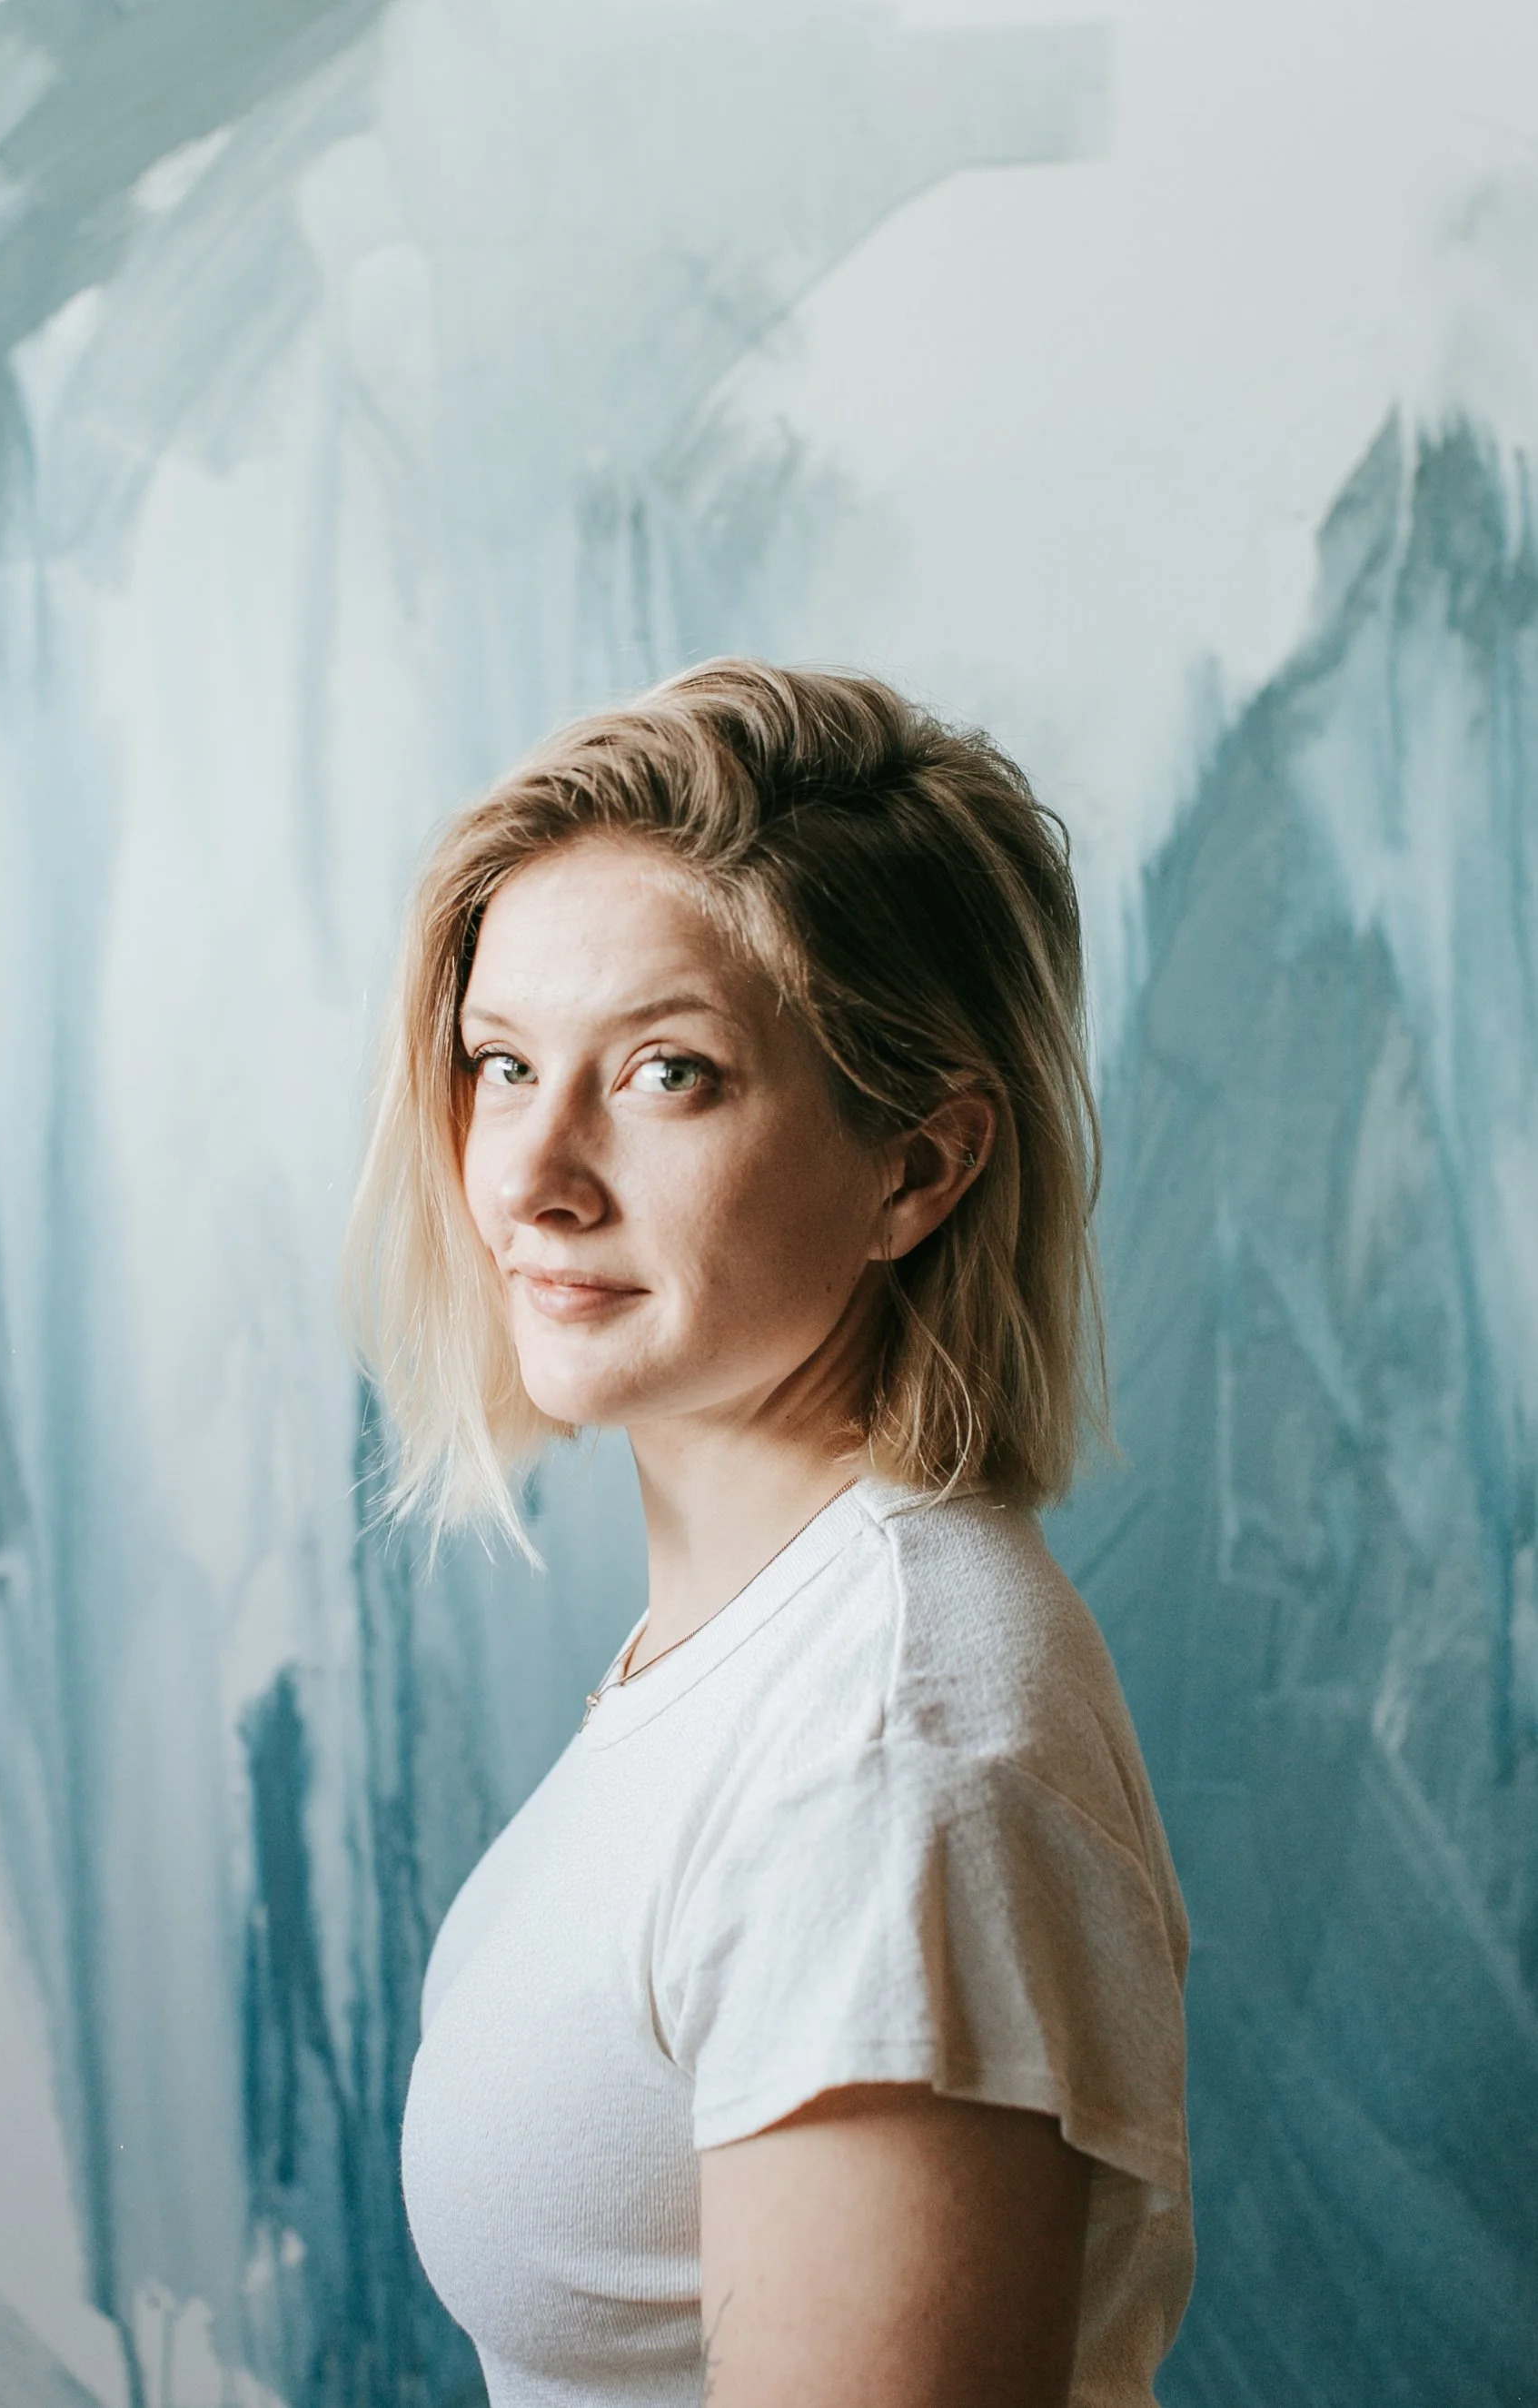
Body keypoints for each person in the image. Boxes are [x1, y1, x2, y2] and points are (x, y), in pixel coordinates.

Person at [346, 660, 1193, 2407]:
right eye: (503, 1064)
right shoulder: (768, 1639)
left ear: (918, 1166)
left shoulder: (882, 1753)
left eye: (667, 1072)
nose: (530, 1177)